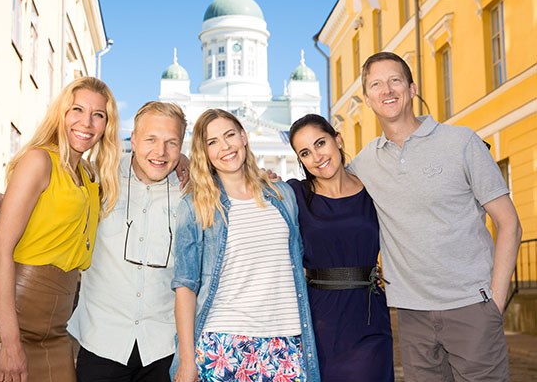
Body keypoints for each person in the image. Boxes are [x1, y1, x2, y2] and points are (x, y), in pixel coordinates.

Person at [349, 51, 522, 380]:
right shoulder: (364, 164)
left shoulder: (462, 142)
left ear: (412, 89)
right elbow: (328, 187)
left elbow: (509, 222)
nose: (386, 90)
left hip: (472, 307)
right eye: (376, 84)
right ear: (367, 99)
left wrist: (495, 305)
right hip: (413, 317)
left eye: (395, 80)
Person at [0, 76, 121, 382]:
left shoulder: (90, 178)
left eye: (98, 115)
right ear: (62, 114)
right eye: (77, 110)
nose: (86, 123)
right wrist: (10, 343)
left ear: (107, 126)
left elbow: (148, 162)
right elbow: (0, 251)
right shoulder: (39, 161)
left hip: (55, 330)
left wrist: (181, 159)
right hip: (6, 325)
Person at [171, 108, 320, 382]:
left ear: (244, 137)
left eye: (229, 135)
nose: (225, 147)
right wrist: (187, 359)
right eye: (212, 142)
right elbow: (185, 287)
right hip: (222, 342)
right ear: (204, 152)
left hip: (285, 340)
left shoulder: (282, 194)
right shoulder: (195, 206)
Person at [68, 101, 187, 382]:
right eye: (151, 140)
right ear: (133, 138)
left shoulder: (192, 192)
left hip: (164, 349)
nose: (160, 152)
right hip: (101, 342)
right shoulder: (98, 178)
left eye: (171, 142)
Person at [287, 113, 394, 381]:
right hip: (321, 321)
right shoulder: (295, 194)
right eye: (305, 153)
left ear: (338, 139)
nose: (317, 156)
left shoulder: (373, 189)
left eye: (320, 143)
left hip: (369, 314)